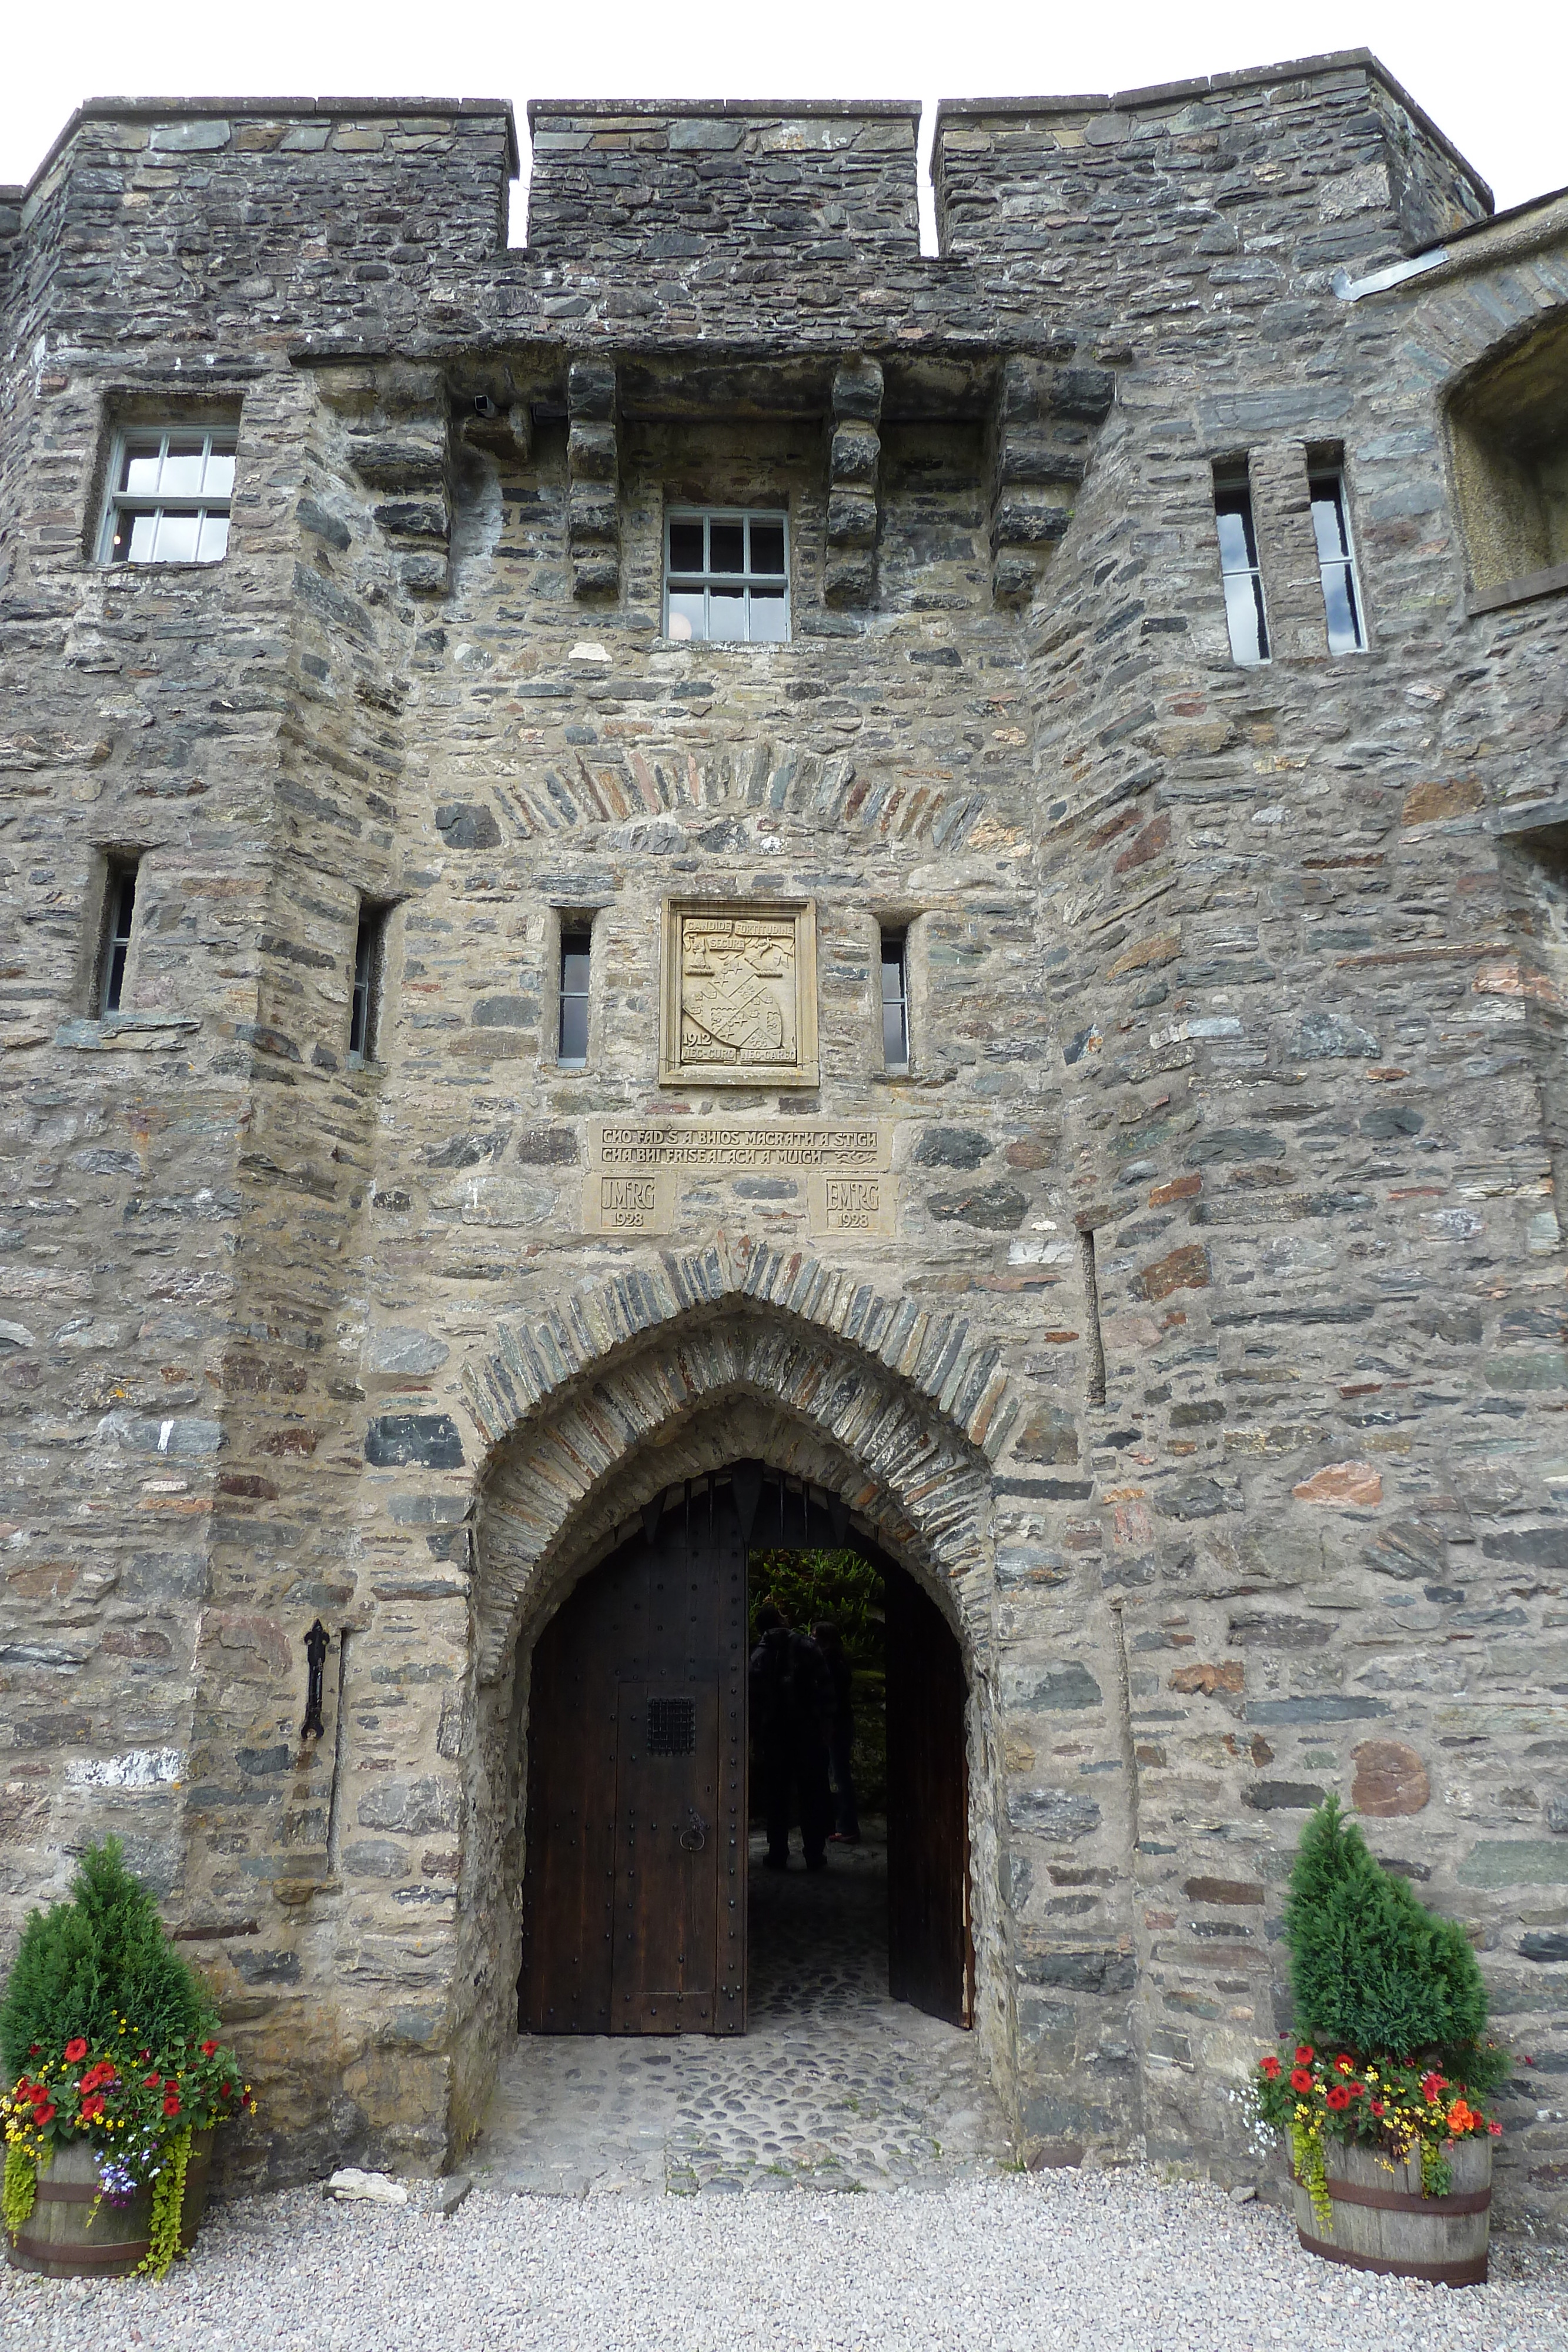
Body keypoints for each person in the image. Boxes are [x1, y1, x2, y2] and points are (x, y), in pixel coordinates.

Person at [749, 1602, 834, 1870]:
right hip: (807, 1731)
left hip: (774, 1733)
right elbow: (826, 1686)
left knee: (777, 1795)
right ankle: (814, 1854)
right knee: (812, 1794)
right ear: (779, 1619)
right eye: (783, 1613)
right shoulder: (806, 1646)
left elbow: (752, 1700)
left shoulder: (757, 1655)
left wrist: (755, 1735)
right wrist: (826, 1724)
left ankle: (777, 1852)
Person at [813, 1619, 861, 1845]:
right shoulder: (840, 1660)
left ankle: (848, 1827)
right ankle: (845, 1824)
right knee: (841, 1774)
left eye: (815, 1636)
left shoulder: (829, 1662)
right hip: (844, 1721)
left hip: (836, 1723)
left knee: (840, 1776)